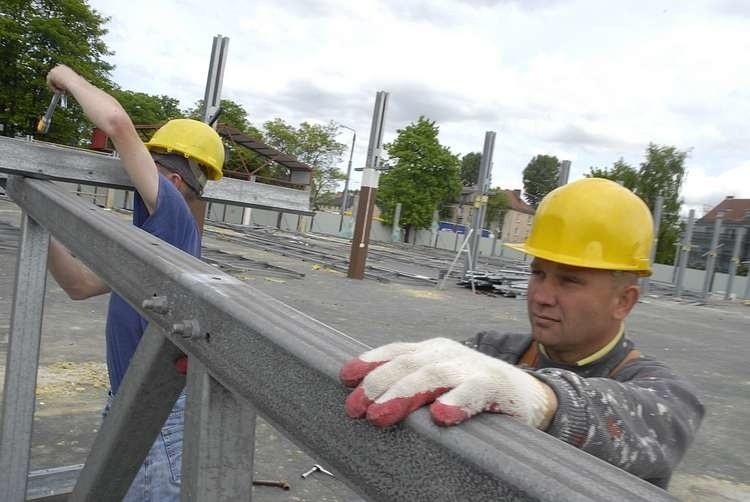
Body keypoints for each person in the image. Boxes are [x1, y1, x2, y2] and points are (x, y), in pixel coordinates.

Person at [340, 178, 704, 489]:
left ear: (623, 301)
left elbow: (650, 423)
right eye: (538, 273)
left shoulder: (667, 395)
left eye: (570, 280)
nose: (542, 296)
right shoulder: (491, 351)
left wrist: (544, 400)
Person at [45, 64, 224, 501]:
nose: (131, 171)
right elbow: (80, 285)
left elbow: (117, 123)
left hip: (156, 415)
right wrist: (37, 218)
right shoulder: (152, 244)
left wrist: (67, 76)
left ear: (174, 179)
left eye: (150, 163)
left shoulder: (174, 219)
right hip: (129, 402)